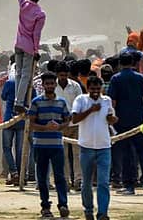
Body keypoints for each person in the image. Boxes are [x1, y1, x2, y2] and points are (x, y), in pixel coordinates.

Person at [108, 53, 143, 195]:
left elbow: (113, 101)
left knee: (126, 152)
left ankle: (129, 185)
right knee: (142, 151)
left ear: (120, 64)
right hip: (138, 120)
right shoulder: (140, 78)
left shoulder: (115, 79)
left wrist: (112, 118)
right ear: (133, 63)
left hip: (121, 121)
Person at [72, 75, 117, 220]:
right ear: (87, 88)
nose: (96, 92)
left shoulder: (106, 100)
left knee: (103, 182)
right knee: (86, 183)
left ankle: (103, 213)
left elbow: (110, 117)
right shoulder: (81, 100)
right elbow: (74, 119)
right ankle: (88, 209)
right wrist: (90, 110)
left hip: (104, 146)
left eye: (98, 89)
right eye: (93, 89)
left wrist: (112, 119)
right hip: (86, 147)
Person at [29, 71, 71, 219]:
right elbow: (31, 124)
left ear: (55, 84)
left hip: (57, 145)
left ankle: (63, 205)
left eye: (52, 83)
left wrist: (59, 127)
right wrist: (45, 127)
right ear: (43, 85)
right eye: (47, 84)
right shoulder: (36, 102)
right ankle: (45, 206)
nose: (50, 86)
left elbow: (67, 121)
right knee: (42, 177)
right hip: (40, 145)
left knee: (60, 176)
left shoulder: (61, 102)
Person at [13, 0, 46, 113]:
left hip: (18, 44)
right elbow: (36, 34)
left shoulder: (23, 4)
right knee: (26, 74)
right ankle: (19, 101)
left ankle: (17, 100)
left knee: (18, 73)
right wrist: (36, 50)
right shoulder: (40, 14)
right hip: (28, 47)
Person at [55, 61, 83, 190]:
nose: (63, 78)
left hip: (75, 124)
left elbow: (81, 102)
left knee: (77, 154)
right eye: (61, 75)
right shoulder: (53, 86)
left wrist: (73, 114)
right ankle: (65, 180)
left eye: (65, 75)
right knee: (63, 155)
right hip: (59, 125)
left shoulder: (75, 86)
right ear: (57, 74)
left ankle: (78, 180)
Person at [0, 70, 24, 185]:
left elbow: (3, 96)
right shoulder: (27, 84)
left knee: (6, 147)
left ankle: (14, 173)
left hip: (9, 118)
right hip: (22, 119)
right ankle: (20, 174)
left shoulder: (9, 83)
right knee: (19, 150)